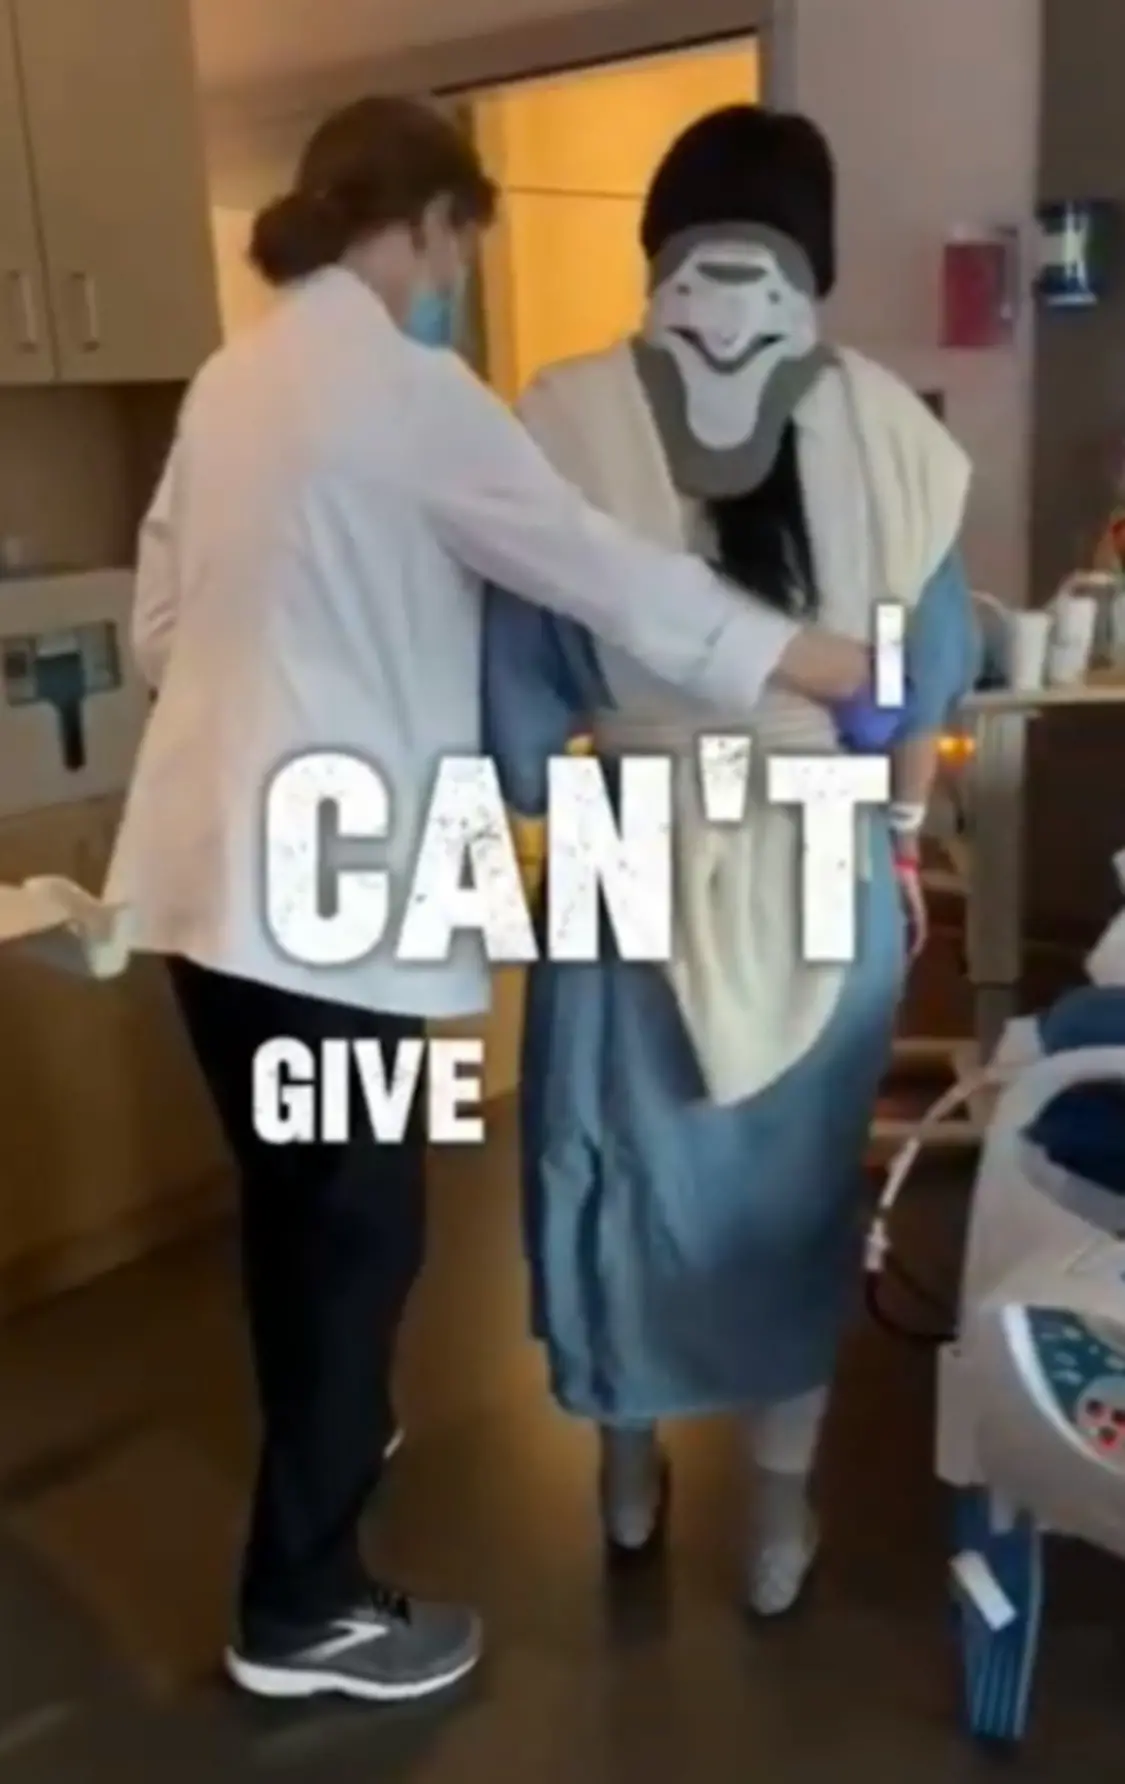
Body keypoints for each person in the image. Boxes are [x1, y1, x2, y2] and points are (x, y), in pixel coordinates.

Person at [102, 96, 889, 1705]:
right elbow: (605, 572)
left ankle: (329, 1455)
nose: (459, 279)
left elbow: (157, 633)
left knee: (298, 1214)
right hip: (326, 908)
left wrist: (304, 673)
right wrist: (810, 658)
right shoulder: (414, 396)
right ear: (427, 223)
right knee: (362, 1236)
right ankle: (303, 1608)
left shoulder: (233, 380)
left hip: (200, 891)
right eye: (464, 246)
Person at [483, 104, 980, 1617]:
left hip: (628, 853)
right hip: (824, 856)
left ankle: (628, 1475)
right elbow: (923, 681)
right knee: (795, 1192)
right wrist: (901, 840)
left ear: (658, 237)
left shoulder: (556, 421)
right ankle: (776, 1517)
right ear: (815, 250)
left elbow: (519, 715)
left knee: (612, 1174)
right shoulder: (896, 434)